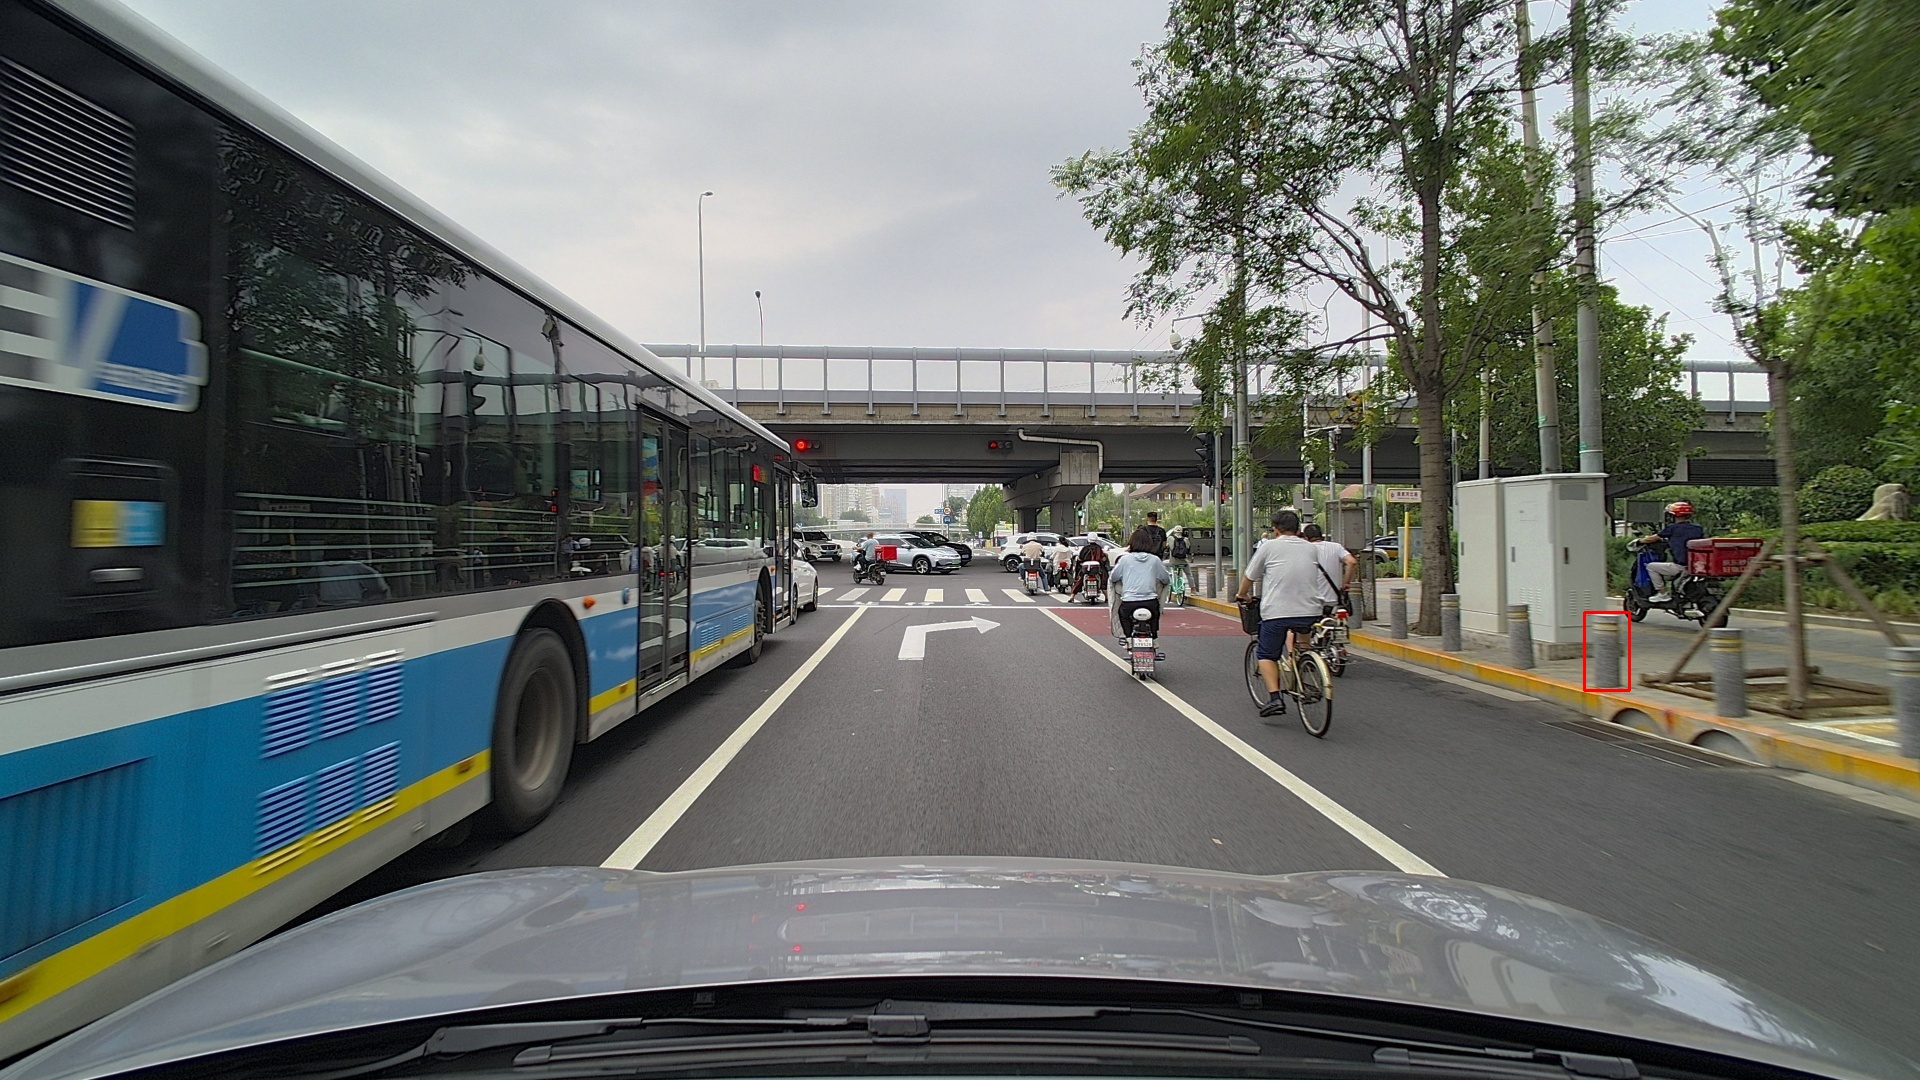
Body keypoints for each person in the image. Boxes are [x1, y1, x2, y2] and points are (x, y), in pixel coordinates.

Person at [1236, 509, 1326, 718]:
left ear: (1276, 529)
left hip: (1277, 612)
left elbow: (1249, 576)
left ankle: (1275, 698)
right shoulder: (1310, 548)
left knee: (1266, 654)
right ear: (1298, 528)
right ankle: (1304, 669)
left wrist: (1242, 594)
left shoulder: (1269, 547)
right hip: (1311, 610)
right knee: (1302, 645)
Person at [1109, 526, 1171, 659]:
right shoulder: (1155, 560)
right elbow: (1166, 579)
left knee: (1123, 615)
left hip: (1129, 602)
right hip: (1150, 602)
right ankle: (1154, 638)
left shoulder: (1124, 560)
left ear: (1131, 543)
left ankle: (1128, 639)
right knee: (1155, 615)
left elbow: (1113, 578)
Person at [1638, 501, 1705, 602]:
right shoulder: (1698, 528)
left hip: (1681, 566)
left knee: (1651, 567)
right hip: (1696, 565)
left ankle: (1662, 593)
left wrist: (1639, 541)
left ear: (1673, 515)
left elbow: (1653, 538)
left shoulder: (1672, 528)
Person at [1301, 523, 1358, 613]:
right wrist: (1346, 583)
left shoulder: (1304, 550)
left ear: (1306, 538)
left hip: (1312, 602)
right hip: (1333, 600)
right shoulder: (1336, 547)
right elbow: (1352, 562)